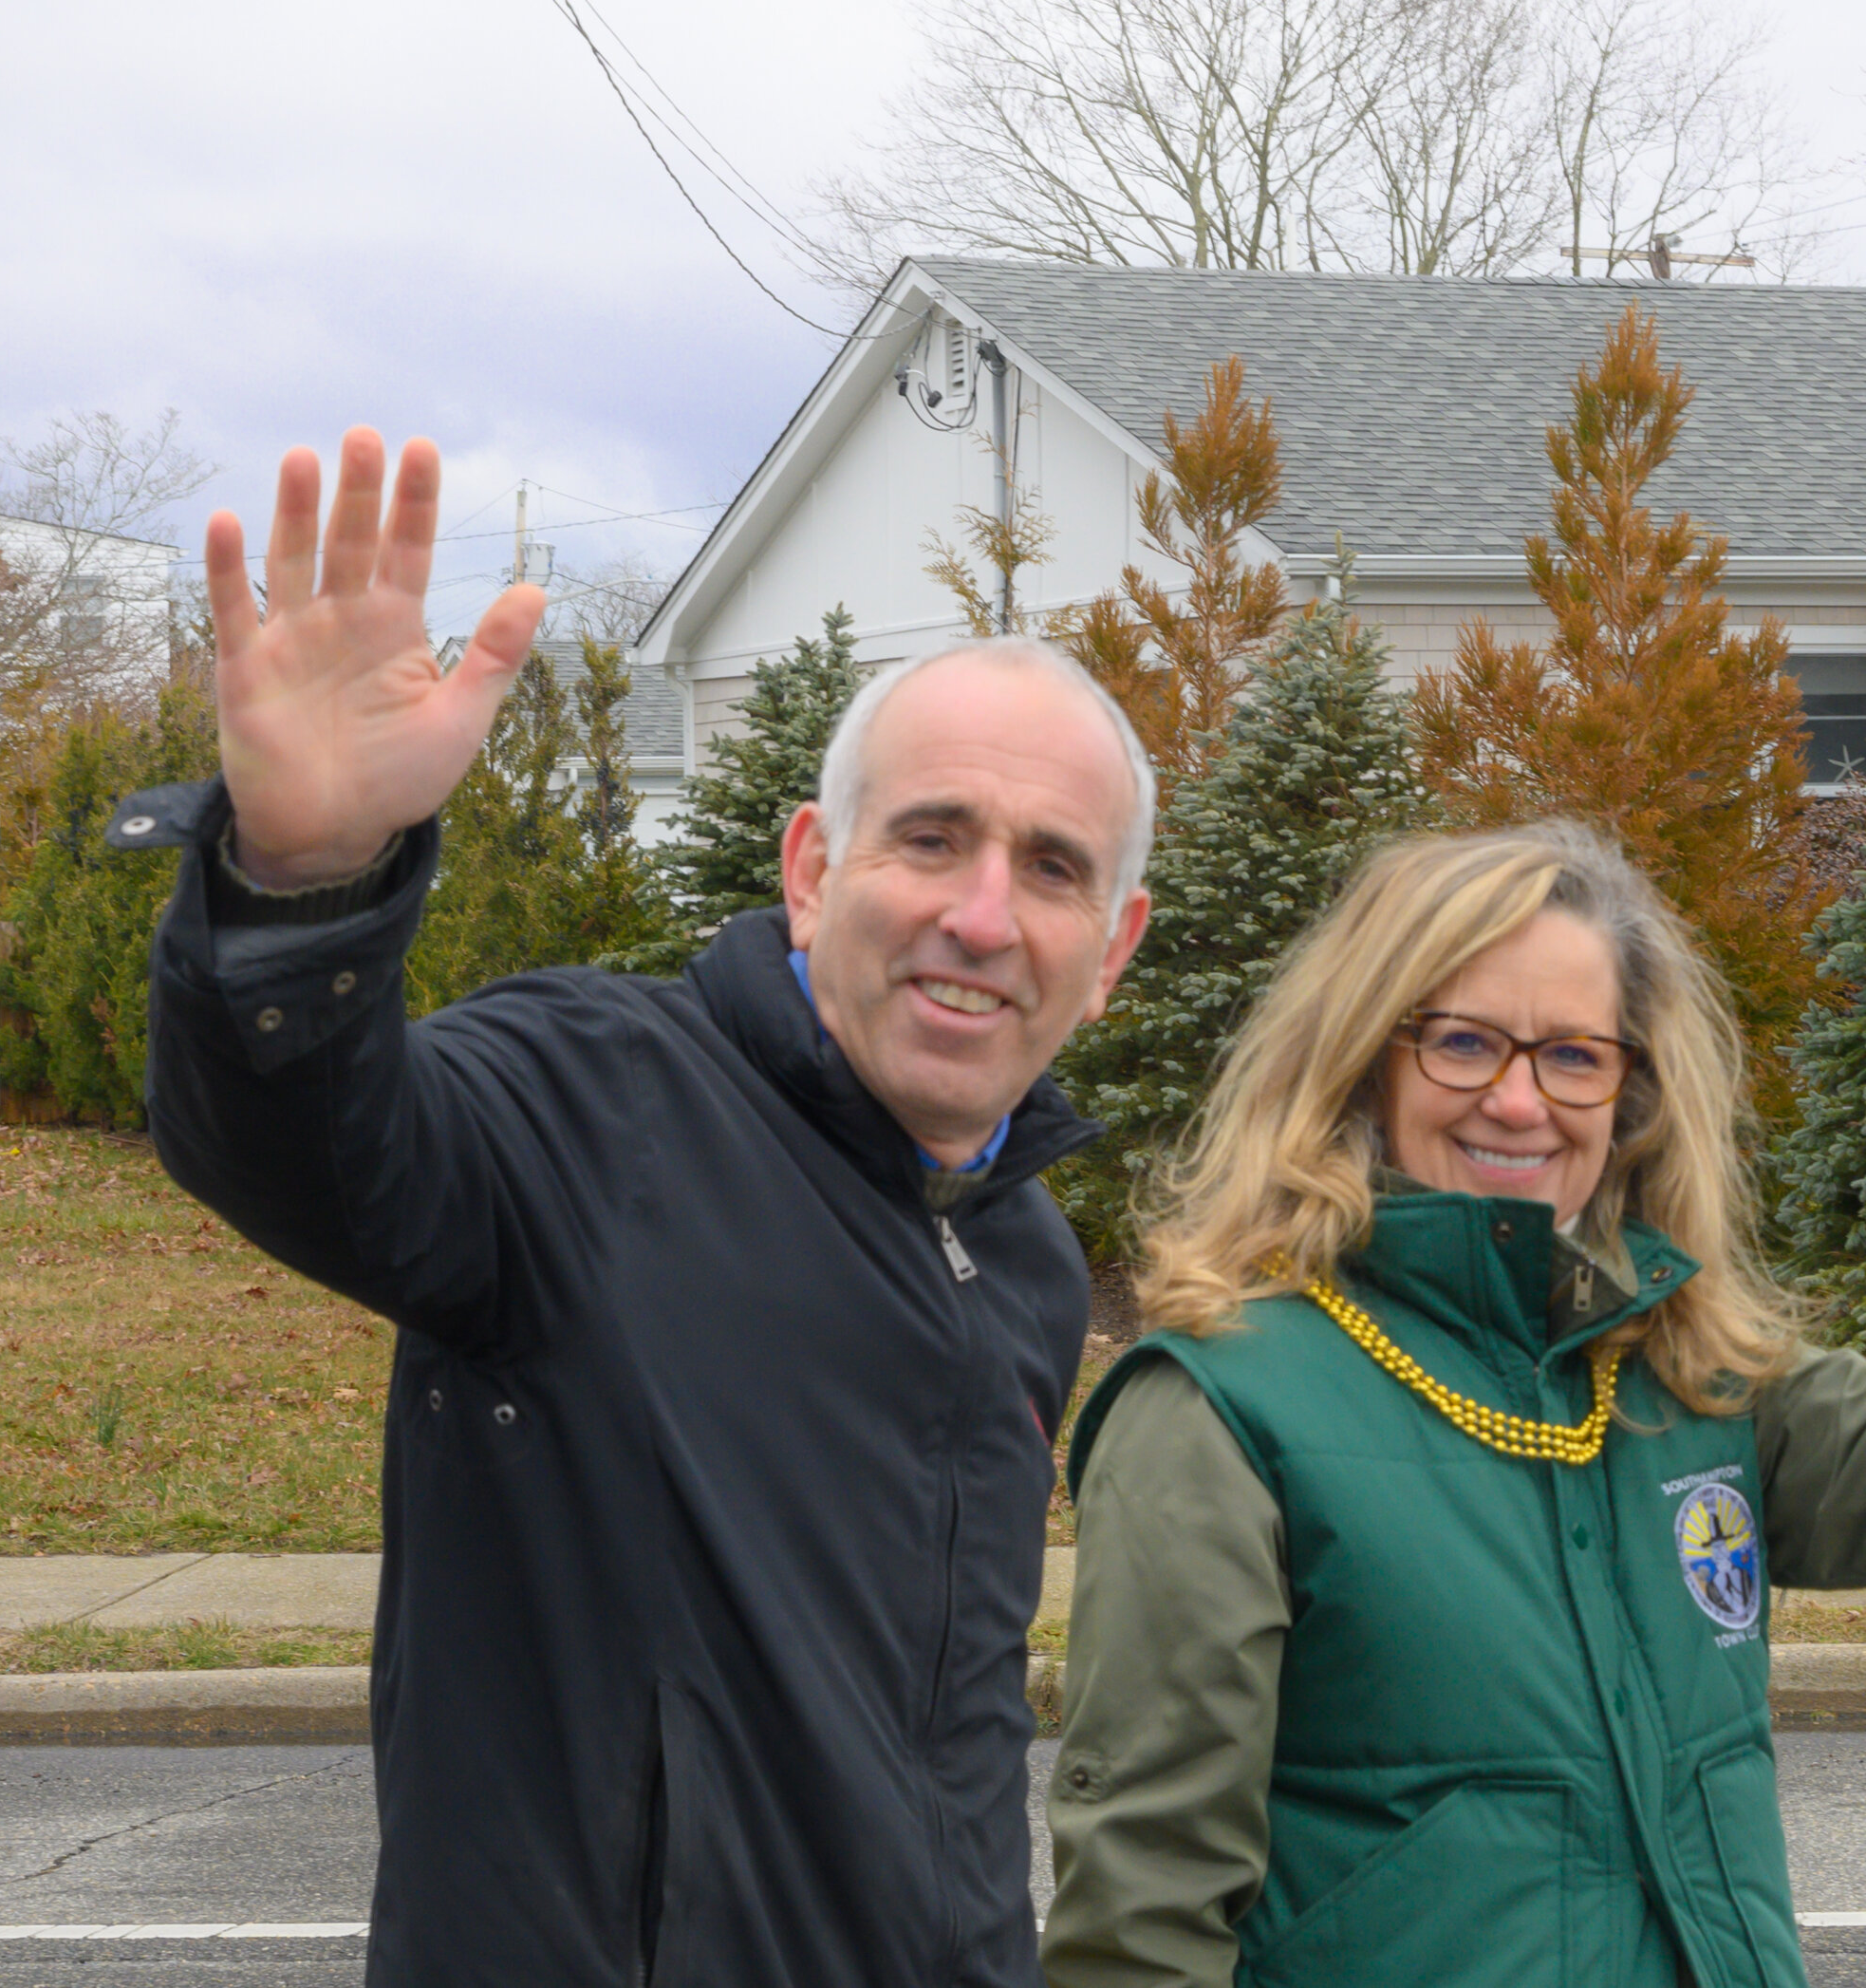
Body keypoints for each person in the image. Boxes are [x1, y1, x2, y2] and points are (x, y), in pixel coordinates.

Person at [121, 430, 1153, 1986]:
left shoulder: (1023, 1255)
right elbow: (303, 1137)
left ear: (1114, 945)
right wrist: (306, 878)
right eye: (932, 836)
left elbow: (954, 1743)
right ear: (813, 869)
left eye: (1053, 866)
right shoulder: (588, 1101)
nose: (984, 913)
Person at [1041, 823, 1866, 1988]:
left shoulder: (1671, 1360)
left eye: (1572, 1056)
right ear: (1362, 1058)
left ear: (1630, 1088)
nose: (1518, 1099)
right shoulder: (1219, 1410)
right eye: (1463, 1042)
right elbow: (1142, 1915)